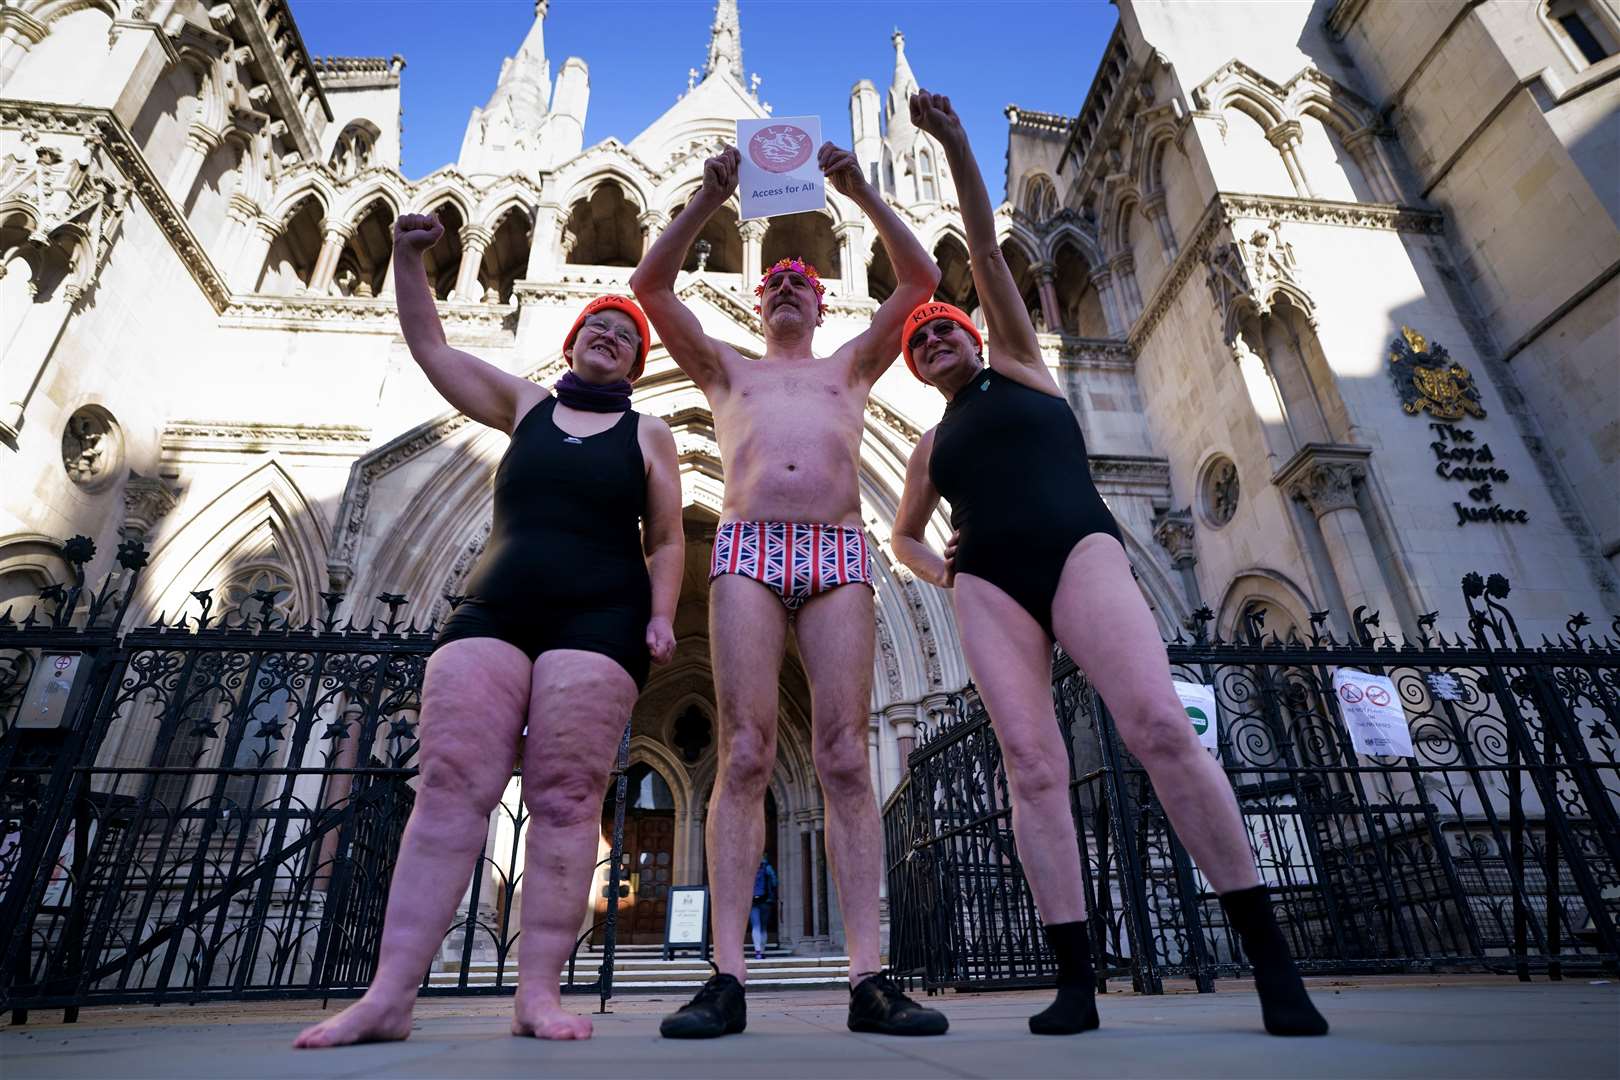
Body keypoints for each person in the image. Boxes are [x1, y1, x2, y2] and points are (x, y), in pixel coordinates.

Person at [890, 91, 1329, 1039]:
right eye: (918, 339)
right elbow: (904, 536)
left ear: (974, 330)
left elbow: (974, 226)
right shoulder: (927, 448)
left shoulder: (1021, 363)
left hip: (1080, 549)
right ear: (915, 367)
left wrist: (957, 143)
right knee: (1031, 768)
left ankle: (1270, 960)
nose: (933, 338)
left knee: (1161, 728)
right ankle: (1075, 981)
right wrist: (942, 572)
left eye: (943, 326)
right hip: (989, 584)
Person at [295, 213, 684, 1048]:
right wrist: (406, 258)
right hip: (495, 606)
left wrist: (658, 614)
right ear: (573, 344)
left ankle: (536, 995)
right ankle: (389, 995)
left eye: (625, 336)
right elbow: (432, 349)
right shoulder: (526, 404)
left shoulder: (650, 433)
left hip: (601, 617)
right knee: (447, 786)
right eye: (597, 328)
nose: (609, 337)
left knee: (568, 798)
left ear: (637, 363)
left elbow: (670, 536)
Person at [630, 143, 949, 1039]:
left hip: (839, 548)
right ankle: (726, 976)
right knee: (745, 753)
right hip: (748, 547)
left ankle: (870, 977)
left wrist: (858, 189)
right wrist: (706, 198)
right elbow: (653, 291)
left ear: (821, 302)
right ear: (759, 304)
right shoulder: (730, 370)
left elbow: (919, 274)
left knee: (846, 755)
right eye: (773, 283)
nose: (785, 288)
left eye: (800, 282)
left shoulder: (849, 366)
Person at [750, 854, 778, 960]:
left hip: (753, 900)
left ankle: (757, 952)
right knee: (763, 927)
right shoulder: (768, 867)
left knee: (755, 926)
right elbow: (775, 882)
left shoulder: (750, 867)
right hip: (766, 900)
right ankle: (762, 950)